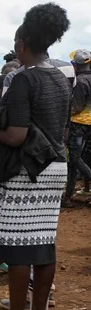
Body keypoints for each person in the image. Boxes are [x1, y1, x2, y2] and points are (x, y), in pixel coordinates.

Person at [0, 3, 72, 310]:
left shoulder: (23, 79)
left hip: (26, 171)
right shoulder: (60, 78)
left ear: (21, 43)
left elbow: (17, 135)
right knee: (43, 244)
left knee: (19, 247)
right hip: (55, 166)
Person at [63, 49, 91, 206]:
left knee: (74, 158)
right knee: (77, 160)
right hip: (88, 125)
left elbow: (77, 107)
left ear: (75, 64)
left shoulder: (80, 81)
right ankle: (68, 196)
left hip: (78, 124)